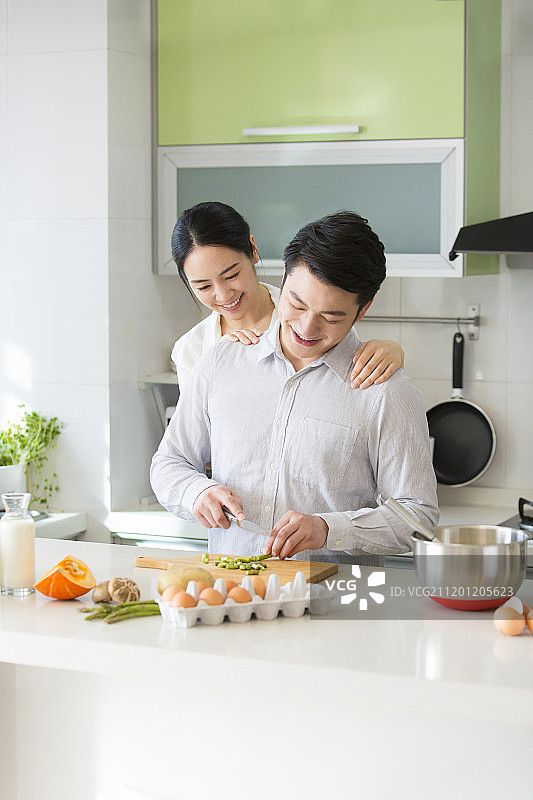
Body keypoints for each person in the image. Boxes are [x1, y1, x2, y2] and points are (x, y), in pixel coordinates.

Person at [151, 211, 438, 566]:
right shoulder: (221, 361)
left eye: (331, 317)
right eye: (296, 304)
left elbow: (417, 520)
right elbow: (169, 463)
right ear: (282, 282)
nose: (306, 326)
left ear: (363, 309)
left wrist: (329, 529)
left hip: (334, 606)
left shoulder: (385, 390)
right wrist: (198, 491)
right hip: (231, 595)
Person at [170, 201, 404, 390]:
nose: (223, 294)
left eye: (231, 275)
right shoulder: (191, 349)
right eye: (203, 286)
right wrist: (220, 365)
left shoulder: (307, 318)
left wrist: (392, 353)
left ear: (253, 250)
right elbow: (197, 437)